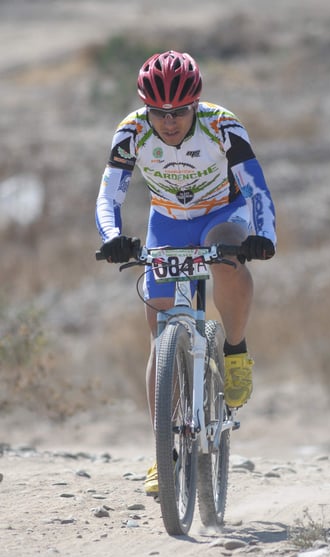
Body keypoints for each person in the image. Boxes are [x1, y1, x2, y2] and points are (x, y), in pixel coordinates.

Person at [95, 50, 276, 495]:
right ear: (146, 107)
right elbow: (108, 196)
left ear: (196, 104)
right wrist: (112, 235)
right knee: (159, 337)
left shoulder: (222, 125)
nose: (170, 122)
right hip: (168, 220)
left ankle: (234, 351)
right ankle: (164, 452)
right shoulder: (132, 132)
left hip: (223, 211)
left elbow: (255, 186)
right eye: (160, 112)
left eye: (179, 112)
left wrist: (265, 235)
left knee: (225, 257)